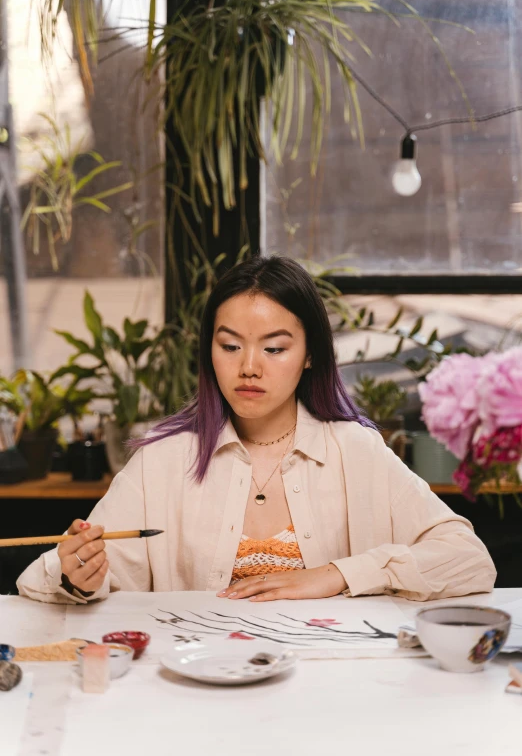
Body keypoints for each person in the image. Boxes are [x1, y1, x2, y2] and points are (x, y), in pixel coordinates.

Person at [17, 255, 496, 605]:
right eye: (230, 346)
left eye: (274, 348)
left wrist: (336, 575)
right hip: (195, 688)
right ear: (210, 351)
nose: (249, 367)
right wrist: (80, 574)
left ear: (309, 355)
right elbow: (46, 581)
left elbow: (470, 561)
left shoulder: (356, 450)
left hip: (330, 690)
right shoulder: (163, 460)